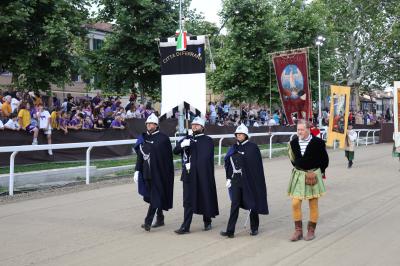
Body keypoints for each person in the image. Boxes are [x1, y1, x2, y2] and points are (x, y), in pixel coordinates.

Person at [220, 124, 269, 238]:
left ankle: (254, 227)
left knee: (252, 202)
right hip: (236, 180)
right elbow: (227, 163)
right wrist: (228, 178)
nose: (239, 136)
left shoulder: (253, 148)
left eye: (241, 134)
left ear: (246, 135)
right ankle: (230, 230)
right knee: (234, 204)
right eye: (237, 134)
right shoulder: (233, 148)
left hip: (249, 180)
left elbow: (256, 167)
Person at [173, 117, 219, 234]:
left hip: (202, 175)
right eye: (193, 125)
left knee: (204, 195)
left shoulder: (207, 140)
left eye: (197, 125)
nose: (194, 126)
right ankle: (185, 226)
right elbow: (175, 151)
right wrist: (183, 144)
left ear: (202, 127)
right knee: (187, 200)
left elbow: (205, 158)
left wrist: (193, 145)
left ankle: (207, 220)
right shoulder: (186, 139)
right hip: (188, 174)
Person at [287, 120, 329, 241]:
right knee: (295, 203)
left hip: (313, 175)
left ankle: (311, 231)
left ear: (308, 129)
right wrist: (299, 168)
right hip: (299, 175)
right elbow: (293, 159)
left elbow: (324, 160)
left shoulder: (318, 143)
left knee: (313, 204)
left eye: (302, 129)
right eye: (298, 129)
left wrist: (317, 172)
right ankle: (298, 231)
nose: (299, 132)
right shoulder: (293, 143)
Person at [133, 114, 174, 231]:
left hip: (160, 174)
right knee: (152, 197)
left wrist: (167, 174)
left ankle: (148, 221)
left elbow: (168, 158)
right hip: (147, 173)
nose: (149, 125)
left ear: (156, 125)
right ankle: (160, 218)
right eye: (147, 124)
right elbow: (140, 156)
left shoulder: (163, 138)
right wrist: (137, 170)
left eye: (151, 124)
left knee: (155, 196)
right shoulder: (143, 138)